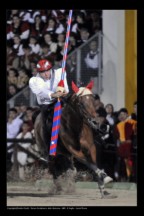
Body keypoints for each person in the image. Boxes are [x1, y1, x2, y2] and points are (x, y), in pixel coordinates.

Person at [29, 59, 69, 151]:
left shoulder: (60, 73)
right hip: (46, 105)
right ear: (39, 72)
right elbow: (42, 92)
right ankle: (48, 151)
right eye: (43, 72)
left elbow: (66, 90)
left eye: (47, 70)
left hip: (61, 100)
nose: (46, 74)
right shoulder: (34, 80)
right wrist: (54, 94)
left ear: (51, 69)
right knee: (45, 125)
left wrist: (63, 91)